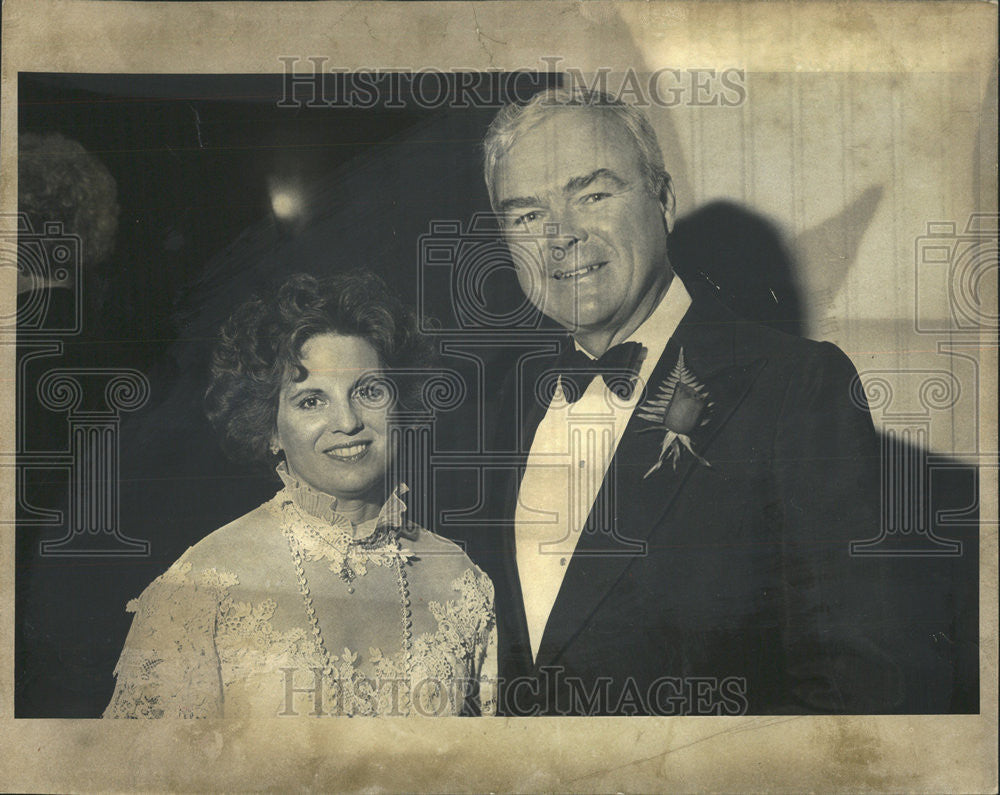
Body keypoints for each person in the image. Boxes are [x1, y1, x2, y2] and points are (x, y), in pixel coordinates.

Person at [470, 86, 905, 715]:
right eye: (527, 215)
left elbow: (853, 696)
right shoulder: (491, 408)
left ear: (664, 201)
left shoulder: (796, 389)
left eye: (593, 194)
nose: (559, 235)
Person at [104, 271, 496, 718]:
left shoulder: (462, 582)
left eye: (368, 391)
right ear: (269, 427)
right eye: (311, 400)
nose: (347, 421)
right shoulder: (200, 588)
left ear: (400, 405)